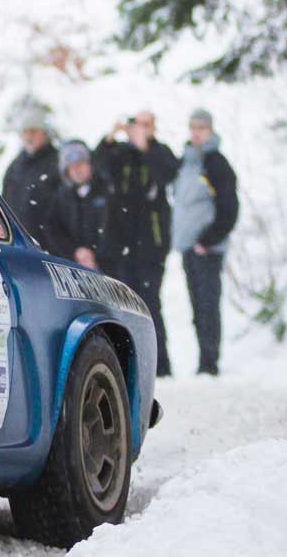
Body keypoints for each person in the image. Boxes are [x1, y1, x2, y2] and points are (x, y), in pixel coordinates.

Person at [94, 110, 180, 375]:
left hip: (150, 247)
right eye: (136, 125)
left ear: (153, 128)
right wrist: (110, 137)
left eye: (145, 125)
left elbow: (168, 173)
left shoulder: (160, 152)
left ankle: (160, 366)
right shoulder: (120, 153)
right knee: (121, 306)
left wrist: (145, 147)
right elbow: (99, 166)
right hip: (120, 245)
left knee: (150, 304)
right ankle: (127, 366)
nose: (139, 130)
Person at [173, 108, 239, 375]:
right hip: (188, 246)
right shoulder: (187, 163)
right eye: (193, 127)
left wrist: (209, 239)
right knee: (197, 307)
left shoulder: (216, 163)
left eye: (202, 128)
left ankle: (210, 363)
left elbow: (229, 208)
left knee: (209, 305)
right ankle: (203, 361)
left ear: (210, 130)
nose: (197, 133)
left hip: (207, 248)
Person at [41, 140, 118, 270]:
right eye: (71, 166)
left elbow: (117, 228)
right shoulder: (61, 197)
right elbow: (52, 228)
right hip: (74, 267)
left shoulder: (108, 190)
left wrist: (97, 257)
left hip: (110, 267)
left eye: (80, 164)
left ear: (89, 164)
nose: (77, 170)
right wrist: (75, 252)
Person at [1, 102, 58, 243]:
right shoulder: (15, 166)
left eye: (33, 131)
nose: (28, 137)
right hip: (18, 244)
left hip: (51, 247)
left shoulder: (57, 163)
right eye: (24, 132)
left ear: (44, 133)